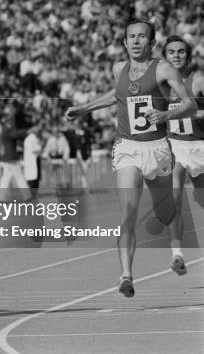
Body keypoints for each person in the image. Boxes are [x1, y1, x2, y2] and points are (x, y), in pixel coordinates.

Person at [66, 19, 196, 297]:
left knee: (165, 214)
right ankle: (126, 275)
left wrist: (166, 114)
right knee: (127, 213)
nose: (136, 41)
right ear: (124, 42)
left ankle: (171, 225)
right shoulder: (118, 69)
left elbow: (189, 103)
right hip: (127, 148)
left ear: (151, 42)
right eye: (131, 37)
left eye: (141, 37)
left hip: (158, 149)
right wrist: (84, 108)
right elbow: (118, 95)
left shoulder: (163, 68)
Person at [162, 35, 204, 276]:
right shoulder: (162, 84)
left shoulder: (197, 80)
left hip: (199, 147)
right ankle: (176, 255)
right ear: (165, 57)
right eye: (171, 52)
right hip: (175, 147)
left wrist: (192, 114)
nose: (176, 56)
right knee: (174, 201)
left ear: (188, 57)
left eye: (180, 52)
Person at [23, 124, 43, 200]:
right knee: (32, 180)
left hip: (35, 160)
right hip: (32, 161)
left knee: (36, 179)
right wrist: (41, 148)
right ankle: (32, 195)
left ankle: (34, 194)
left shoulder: (34, 138)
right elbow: (35, 150)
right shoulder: (30, 139)